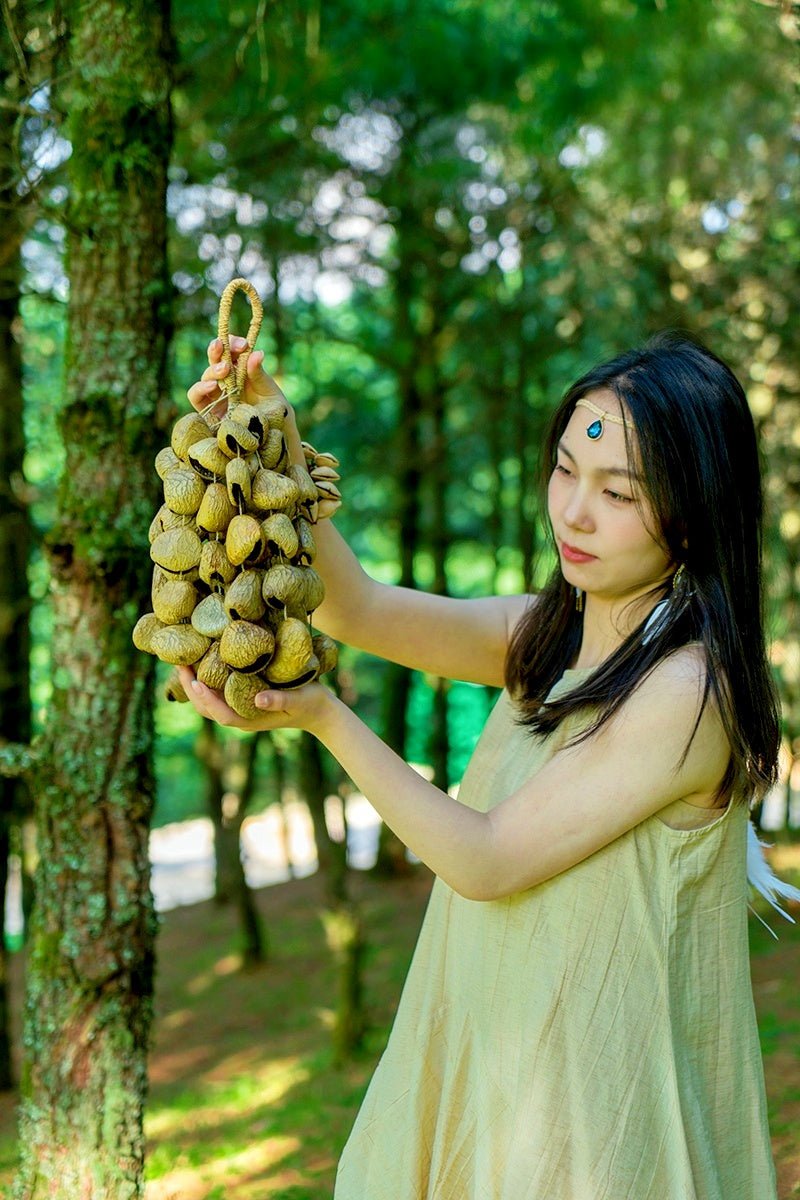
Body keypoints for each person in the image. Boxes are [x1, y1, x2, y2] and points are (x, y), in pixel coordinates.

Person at [179, 330, 798, 1199]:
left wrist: (321, 717)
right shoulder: (548, 636)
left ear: (694, 511)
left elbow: (486, 859)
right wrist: (266, 426)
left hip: (599, 1132)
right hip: (500, 1085)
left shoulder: (689, 693)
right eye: (565, 469)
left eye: (618, 491)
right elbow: (356, 608)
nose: (573, 512)